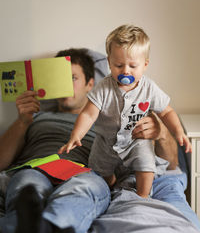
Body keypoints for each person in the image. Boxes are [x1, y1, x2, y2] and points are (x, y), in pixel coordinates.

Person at [0, 48, 199, 233]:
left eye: (73, 77)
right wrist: (22, 121)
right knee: (27, 186)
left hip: (85, 172)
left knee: (83, 189)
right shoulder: (37, 118)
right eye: (60, 77)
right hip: (37, 166)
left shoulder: (113, 117)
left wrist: (161, 132)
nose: (66, 83)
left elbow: (170, 165)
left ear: (90, 83)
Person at [59, 24, 191, 198]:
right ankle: (111, 181)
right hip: (106, 142)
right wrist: (76, 135)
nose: (125, 71)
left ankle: (143, 196)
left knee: (146, 163)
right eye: (119, 65)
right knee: (99, 168)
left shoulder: (149, 88)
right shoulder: (104, 87)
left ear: (145, 65)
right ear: (109, 62)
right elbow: (88, 114)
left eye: (133, 66)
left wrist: (178, 131)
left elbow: (166, 112)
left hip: (136, 139)